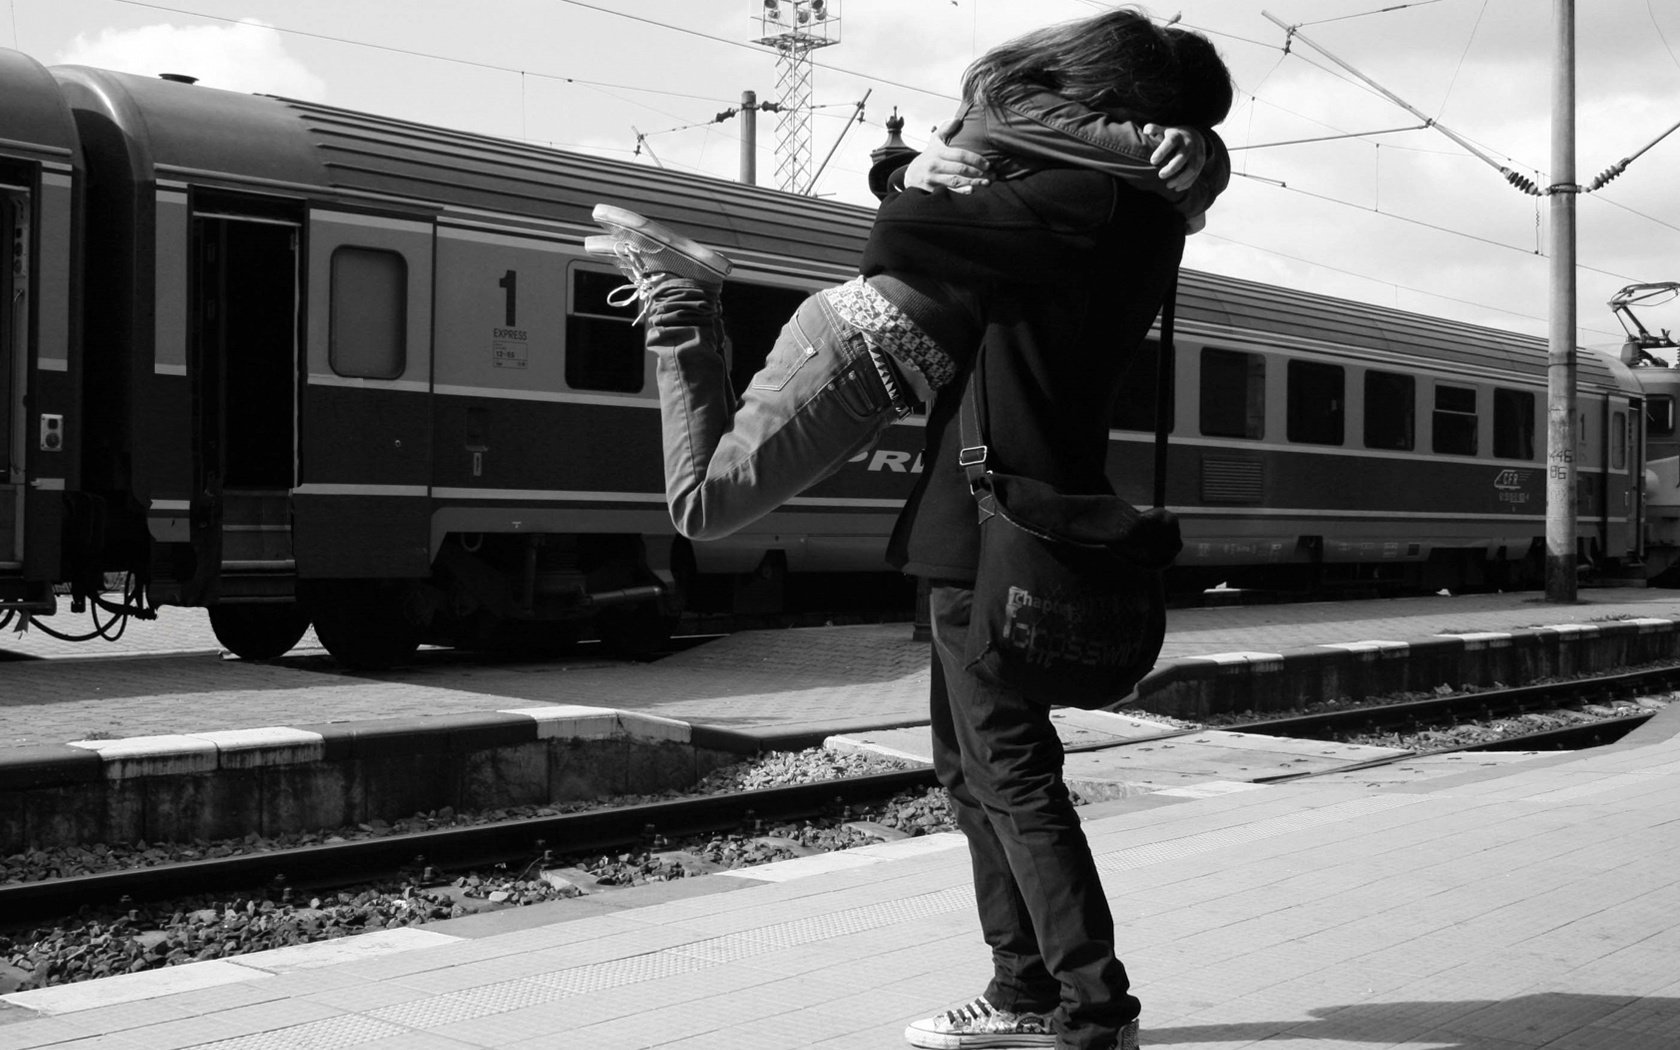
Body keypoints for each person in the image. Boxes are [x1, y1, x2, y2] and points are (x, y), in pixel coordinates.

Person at [879, 24, 1237, 1050]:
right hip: (986, 513)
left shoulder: (1089, 201)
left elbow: (901, 237)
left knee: (1011, 772)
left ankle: (1090, 1009)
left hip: (1000, 520)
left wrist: (917, 168)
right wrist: (920, 164)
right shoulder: (1126, 202)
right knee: (971, 771)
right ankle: (1021, 988)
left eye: (1048, 93)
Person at [585, 7, 1231, 543]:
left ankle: (690, 305)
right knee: (702, 508)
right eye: (1153, 106)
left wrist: (1205, 152)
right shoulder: (1031, 113)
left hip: (868, 367)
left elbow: (1168, 181)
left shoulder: (1022, 111)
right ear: (1119, 85)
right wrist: (1199, 151)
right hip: (854, 354)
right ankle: (680, 299)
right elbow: (1161, 175)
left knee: (714, 495)